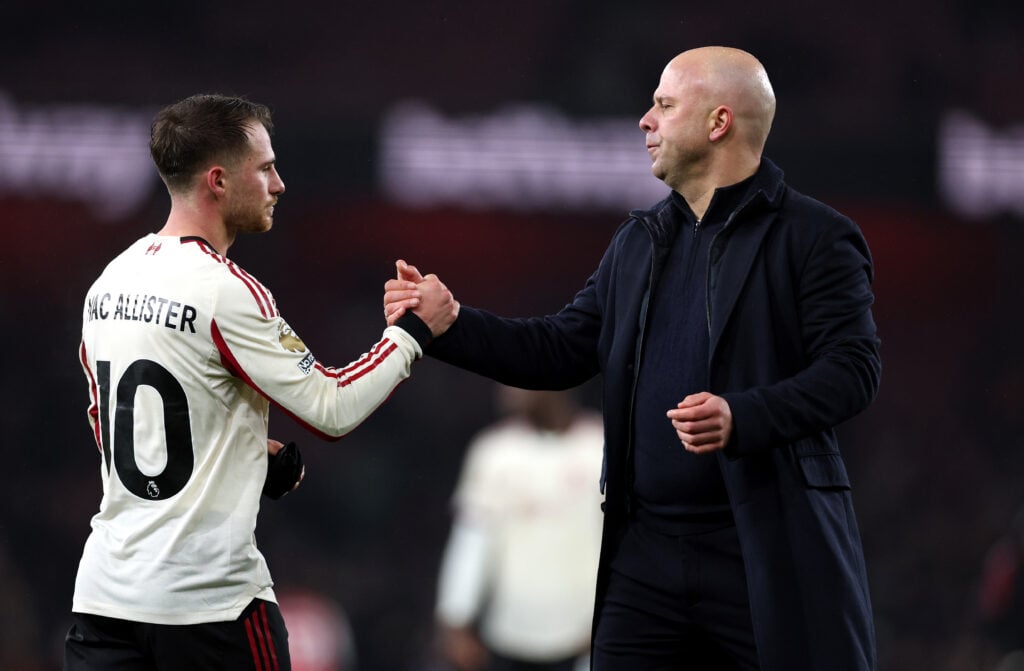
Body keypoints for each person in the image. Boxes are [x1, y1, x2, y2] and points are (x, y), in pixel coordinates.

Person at [385, 46, 882, 670]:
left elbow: (854, 370)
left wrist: (744, 415)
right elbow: (561, 349)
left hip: (762, 546)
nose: (645, 120)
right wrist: (450, 325)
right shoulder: (639, 243)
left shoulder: (815, 239)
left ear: (718, 122)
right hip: (645, 556)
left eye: (664, 105)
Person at [65, 93, 457, 671]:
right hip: (209, 610)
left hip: (104, 604)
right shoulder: (225, 288)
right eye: (267, 168)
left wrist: (236, 455)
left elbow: (109, 420)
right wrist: (413, 335)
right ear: (219, 181)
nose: (279, 185)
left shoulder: (110, 280)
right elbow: (331, 406)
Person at [433, 386, 604, 671]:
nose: (506, 388)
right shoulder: (494, 452)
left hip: (585, 638)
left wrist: (616, 617)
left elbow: (627, 543)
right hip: (509, 639)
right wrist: (455, 619)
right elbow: (471, 541)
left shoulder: (600, 444)